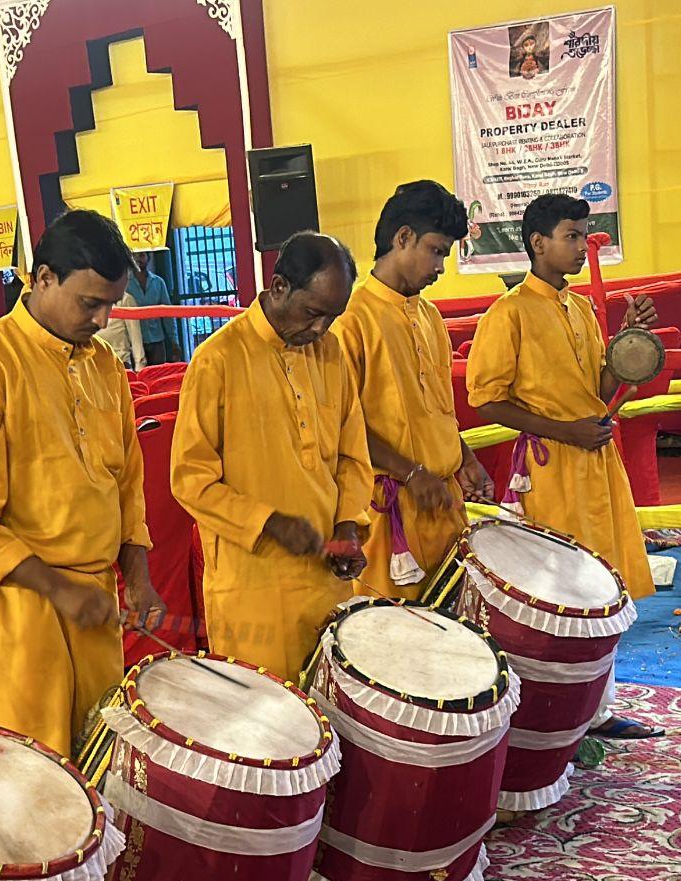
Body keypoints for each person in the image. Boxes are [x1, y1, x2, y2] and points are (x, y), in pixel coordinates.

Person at [0, 210, 163, 757]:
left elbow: (127, 478)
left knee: (96, 757)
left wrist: (137, 572)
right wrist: (60, 590)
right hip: (22, 604)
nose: (105, 317)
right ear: (41, 279)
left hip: (93, 603)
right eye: (90, 303)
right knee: (29, 776)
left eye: (113, 303)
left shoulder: (105, 363)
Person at [467, 193, 660, 741]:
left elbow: (600, 388)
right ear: (538, 243)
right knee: (558, 593)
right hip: (549, 468)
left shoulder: (579, 310)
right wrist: (565, 430)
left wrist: (627, 341)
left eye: (584, 235)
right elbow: (487, 398)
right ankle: (553, 714)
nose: (583, 246)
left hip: (596, 462)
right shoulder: (508, 315)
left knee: (604, 584)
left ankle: (597, 711)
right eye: (573, 236)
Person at [172, 232, 372, 682]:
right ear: (279, 287)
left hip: (326, 580)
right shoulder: (216, 361)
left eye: (332, 318)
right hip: (253, 588)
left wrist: (348, 525)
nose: (320, 330)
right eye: (313, 313)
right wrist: (267, 521)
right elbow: (190, 481)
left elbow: (352, 454)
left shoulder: (330, 351)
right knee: (270, 732)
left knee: (335, 717)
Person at [339, 180, 493, 594]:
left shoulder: (429, 316)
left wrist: (465, 458)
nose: (441, 267)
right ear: (402, 237)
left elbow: (440, 409)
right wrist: (411, 473)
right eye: (436, 250)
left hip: (443, 503)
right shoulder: (350, 322)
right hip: (391, 513)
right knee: (403, 645)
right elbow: (341, 427)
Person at [123, 252, 179, 365]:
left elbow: (167, 314)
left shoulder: (158, 282)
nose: (137, 259)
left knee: (159, 376)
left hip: (156, 340)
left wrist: (174, 341)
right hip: (133, 342)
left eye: (142, 255)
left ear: (148, 258)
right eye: (134, 255)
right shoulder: (124, 283)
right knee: (139, 378)